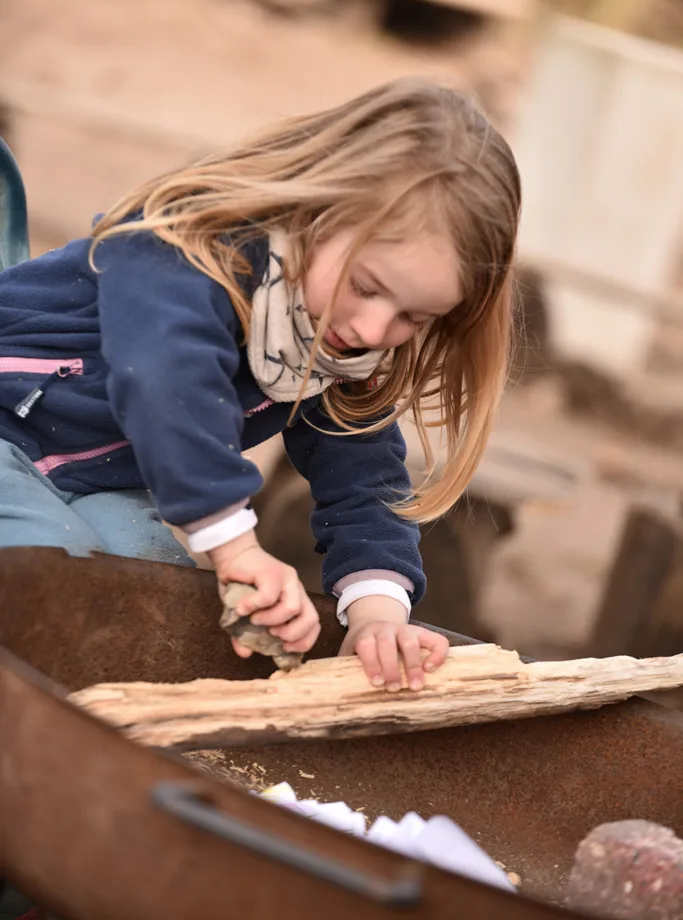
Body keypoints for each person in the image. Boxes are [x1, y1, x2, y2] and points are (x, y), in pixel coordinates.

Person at [0, 78, 520, 691]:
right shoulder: (181, 246)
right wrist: (238, 549)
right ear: (317, 213)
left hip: (88, 481)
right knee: (44, 580)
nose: (376, 327)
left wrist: (377, 613)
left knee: (136, 601)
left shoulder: (339, 343)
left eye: (415, 317)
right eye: (367, 286)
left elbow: (363, 481)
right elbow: (168, 383)